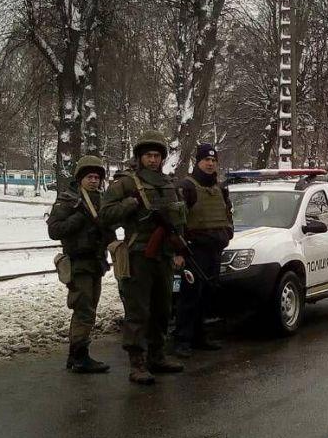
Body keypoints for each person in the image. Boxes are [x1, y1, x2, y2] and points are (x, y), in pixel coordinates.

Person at [100, 130, 186, 385]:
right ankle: (137, 362)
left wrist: (180, 250)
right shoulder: (126, 183)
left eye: (157, 155)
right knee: (138, 311)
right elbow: (105, 216)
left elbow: (179, 220)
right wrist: (130, 204)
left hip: (164, 255)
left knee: (163, 308)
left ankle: (157, 355)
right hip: (139, 254)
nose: (153, 160)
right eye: (148, 155)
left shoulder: (169, 183)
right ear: (139, 157)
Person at [47, 155, 114, 374]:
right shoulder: (69, 199)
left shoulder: (101, 200)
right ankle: (79, 357)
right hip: (78, 263)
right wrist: (78, 218)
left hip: (96, 262)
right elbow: (54, 230)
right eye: (89, 177)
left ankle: (75, 355)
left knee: (89, 308)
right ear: (80, 178)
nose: (94, 181)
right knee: (83, 309)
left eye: (97, 177)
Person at [174, 143, 233, 357]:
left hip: (214, 251)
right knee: (189, 297)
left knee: (207, 295)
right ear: (198, 162)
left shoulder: (220, 188)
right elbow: (178, 222)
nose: (210, 164)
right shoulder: (186, 187)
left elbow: (228, 214)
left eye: (213, 160)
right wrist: (179, 251)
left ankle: (200, 336)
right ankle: (182, 340)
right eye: (206, 160)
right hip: (193, 252)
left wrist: (228, 233)